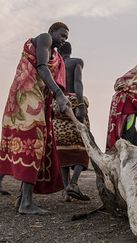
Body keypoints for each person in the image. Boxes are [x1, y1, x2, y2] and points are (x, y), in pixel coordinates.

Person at [0, 22, 71, 215]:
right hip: (26, 96)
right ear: (52, 32)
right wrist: (59, 94)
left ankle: (23, 199)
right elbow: (41, 67)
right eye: (62, 35)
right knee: (33, 144)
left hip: (35, 99)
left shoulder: (56, 55)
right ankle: (26, 203)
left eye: (66, 38)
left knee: (36, 145)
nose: (63, 39)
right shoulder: (45, 38)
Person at [56, 41, 90, 201]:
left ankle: (65, 190)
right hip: (73, 105)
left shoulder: (55, 64)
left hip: (58, 107)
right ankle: (73, 184)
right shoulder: (76, 62)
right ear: (70, 51)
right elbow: (78, 83)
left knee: (63, 148)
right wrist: (81, 104)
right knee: (82, 147)